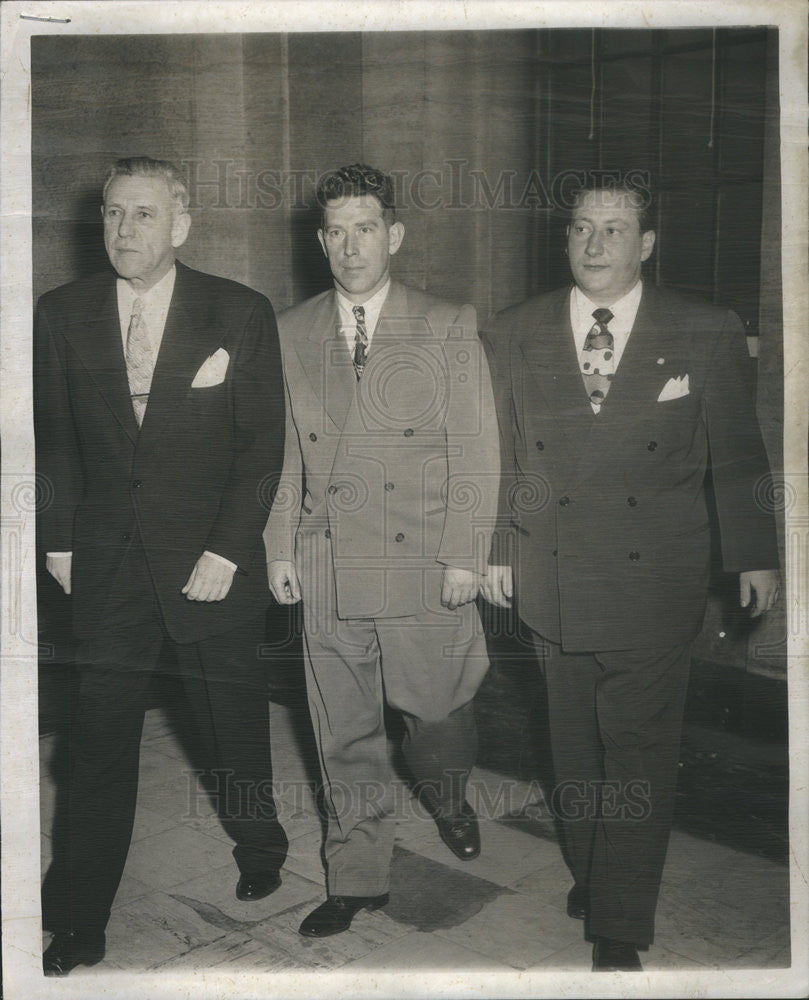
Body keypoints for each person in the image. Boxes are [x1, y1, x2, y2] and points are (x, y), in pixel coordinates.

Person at [481, 177, 780, 971]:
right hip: (550, 576)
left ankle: (620, 920)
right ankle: (593, 870)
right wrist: (494, 553)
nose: (594, 244)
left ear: (645, 245)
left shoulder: (703, 329)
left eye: (614, 229)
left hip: (656, 582)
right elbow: (501, 457)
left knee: (638, 750)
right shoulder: (514, 331)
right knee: (571, 750)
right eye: (581, 227)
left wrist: (752, 552)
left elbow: (737, 453)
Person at [35, 157, 289, 975]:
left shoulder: (238, 310)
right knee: (98, 740)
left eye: (143, 215)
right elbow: (55, 442)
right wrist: (60, 543)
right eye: (112, 214)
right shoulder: (61, 313)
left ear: (181, 224)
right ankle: (78, 915)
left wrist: (225, 549)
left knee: (233, 729)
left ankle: (260, 842)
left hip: (212, 561)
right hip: (106, 564)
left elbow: (261, 447)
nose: (123, 231)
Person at [265, 163, 499, 937]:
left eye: (365, 228)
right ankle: (357, 876)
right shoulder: (291, 330)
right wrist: (280, 547)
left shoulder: (444, 321)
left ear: (392, 235)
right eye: (334, 231)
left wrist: (467, 553)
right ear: (321, 240)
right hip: (330, 561)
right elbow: (285, 454)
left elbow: (474, 446)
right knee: (344, 734)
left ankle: (448, 794)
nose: (349, 246)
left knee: (433, 717)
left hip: (423, 562)